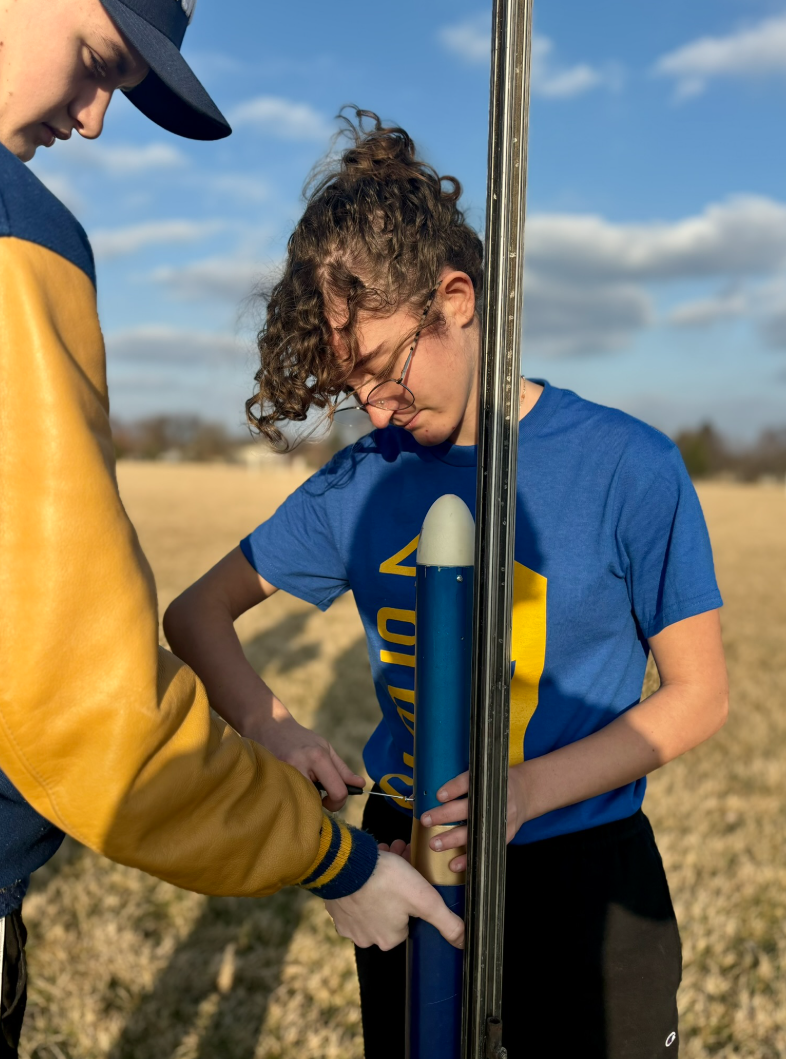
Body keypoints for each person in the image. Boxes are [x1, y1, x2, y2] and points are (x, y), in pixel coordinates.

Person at [163, 108, 729, 1059]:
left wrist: (528, 789)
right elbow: (196, 613)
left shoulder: (627, 463)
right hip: (411, 861)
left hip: (584, 874)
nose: (376, 407)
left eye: (385, 369)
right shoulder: (361, 479)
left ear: (458, 298)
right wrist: (270, 724)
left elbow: (700, 695)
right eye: (354, 388)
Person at [0, 14, 464, 1058]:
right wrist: (326, 847)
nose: (93, 120)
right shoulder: (17, 234)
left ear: (460, 302)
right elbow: (82, 702)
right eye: (93, 63)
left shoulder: (618, 463)